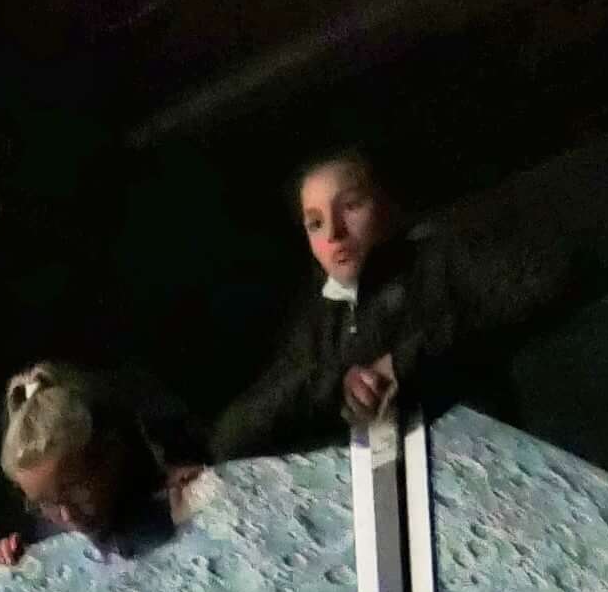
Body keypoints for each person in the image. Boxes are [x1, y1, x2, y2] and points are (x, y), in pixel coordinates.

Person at [209, 146, 570, 462]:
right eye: (315, 223)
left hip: (484, 471)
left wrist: (403, 362)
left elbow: (550, 278)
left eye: (350, 206)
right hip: (380, 517)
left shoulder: (436, 262)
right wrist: (337, 384)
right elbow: (232, 436)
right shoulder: (315, 324)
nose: (334, 232)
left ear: (385, 205)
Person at [0, 362, 211, 568]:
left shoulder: (170, 502)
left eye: (76, 492)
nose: (68, 515)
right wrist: (9, 560)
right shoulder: (48, 530)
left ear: (110, 456)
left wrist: (191, 526)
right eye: (44, 504)